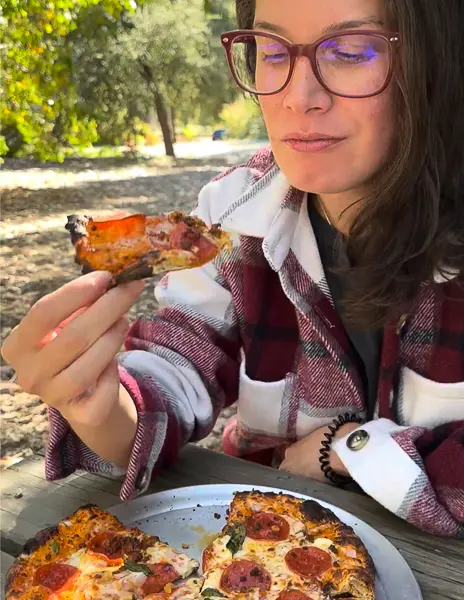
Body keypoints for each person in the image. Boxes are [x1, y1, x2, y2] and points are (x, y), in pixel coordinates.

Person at [2, 0, 464, 538]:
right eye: (271, 52)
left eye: (350, 51)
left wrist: (348, 448)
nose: (298, 97)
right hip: (270, 551)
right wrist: (98, 403)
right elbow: (179, 360)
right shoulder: (235, 212)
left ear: (439, 59)